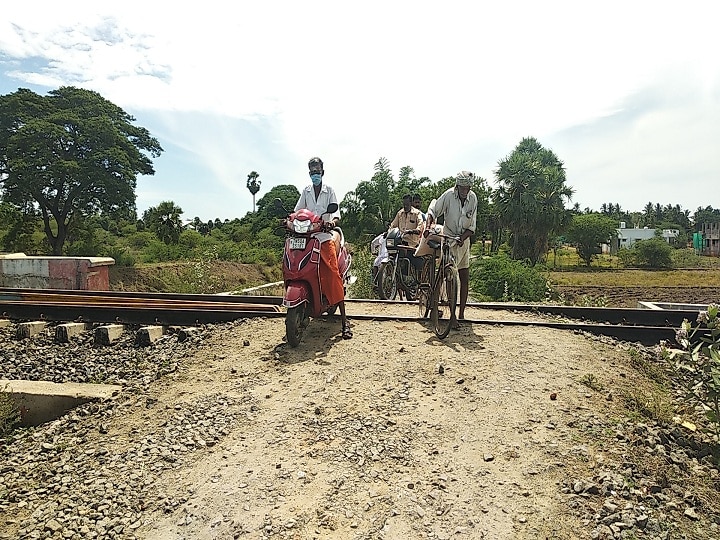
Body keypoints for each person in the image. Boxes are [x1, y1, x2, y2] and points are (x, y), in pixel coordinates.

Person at [294, 157, 352, 339]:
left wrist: (332, 222)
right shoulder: (306, 191)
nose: (314, 175)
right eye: (312, 172)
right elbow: (298, 211)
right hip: (307, 236)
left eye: (317, 171)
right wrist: (290, 219)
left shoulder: (329, 192)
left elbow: (336, 214)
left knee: (332, 272)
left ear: (322, 172)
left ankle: (344, 321)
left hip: (324, 236)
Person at [423, 171, 478, 321]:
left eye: (467, 188)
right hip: (448, 240)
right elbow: (433, 210)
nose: (464, 191)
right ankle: (450, 314)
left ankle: (461, 313)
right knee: (447, 276)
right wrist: (428, 227)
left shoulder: (473, 199)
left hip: (463, 242)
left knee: (464, 277)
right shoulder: (448, 195)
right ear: (457, 186)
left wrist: (463, 237)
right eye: (462, 188)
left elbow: (472, 226)